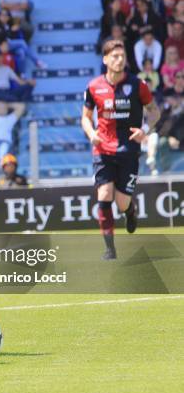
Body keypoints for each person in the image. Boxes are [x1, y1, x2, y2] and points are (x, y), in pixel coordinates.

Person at [81, 39, 161, 260]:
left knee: (122, 201)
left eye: (122, 56)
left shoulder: (138, 85)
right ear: (105, 59)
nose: (119, 60)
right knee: (104, 194)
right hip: (103, 149)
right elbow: (86, 118)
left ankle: (130, 212)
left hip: (128, 150)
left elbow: (155, 112)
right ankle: (110, 249)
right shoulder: (93, 86)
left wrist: (144, 129)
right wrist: (91, 134)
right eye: (114, 56)